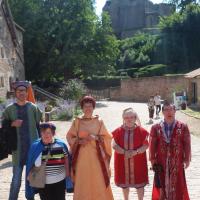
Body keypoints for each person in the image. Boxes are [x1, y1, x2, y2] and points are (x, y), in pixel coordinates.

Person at [66, 96, 114, 200]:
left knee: (99, 179)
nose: (88, 108)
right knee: (83, 180)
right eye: (85, 106)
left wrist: (96, 137)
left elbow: (107, 137)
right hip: (81, 157)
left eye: (90, 106)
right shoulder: (77, 121)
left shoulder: (99, 121)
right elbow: (70, 136)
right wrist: (79, 141)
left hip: (97, 158)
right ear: (82, 108)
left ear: (93, 108)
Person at [1, 81, 42, 200]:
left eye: (24, 91)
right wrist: (12, 123)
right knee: (16, 180)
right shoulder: (9, 109)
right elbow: (3, 127)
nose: (22, 93)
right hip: (17, 150)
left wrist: (42, 145)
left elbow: (39, 126)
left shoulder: (33, 108)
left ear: (26, 92)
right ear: (15, 93)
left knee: (32, 180)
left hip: (32, 149)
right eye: (19, 91)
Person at [149, 101, 191, 200]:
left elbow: (187, 144)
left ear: (175, 111)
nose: (169, 112)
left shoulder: (183, 126)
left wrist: (187, 159)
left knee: (178, 183)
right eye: (166, 110)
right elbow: (152, 145)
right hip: (161, 160)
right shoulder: (156, 127)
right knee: (161, 183)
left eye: (171, 109)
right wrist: (152, 159)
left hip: (177, 160)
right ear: (162, 112)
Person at [26, 123, 71, 200]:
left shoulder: (61, 145)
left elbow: (66, 159)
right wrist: (29, 174)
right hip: (43, 183)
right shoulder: (35, 146)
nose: (45, 135)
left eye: (48, 132)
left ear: (53, 133)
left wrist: (67, 174)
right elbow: (31, 163)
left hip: (59, 181)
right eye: (43, 132)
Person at [112, 108, 149, 200]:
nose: (129, 119)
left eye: (131, 117)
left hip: (138, 162)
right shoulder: (117, 131)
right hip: (122, 162)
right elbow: (114, 145)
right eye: (126, 117)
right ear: (123, 118)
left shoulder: (142, 131)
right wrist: (124, 152)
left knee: (140, 184)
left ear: (135, 118)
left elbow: (146, 145)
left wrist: (135, 152)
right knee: (124, 185)